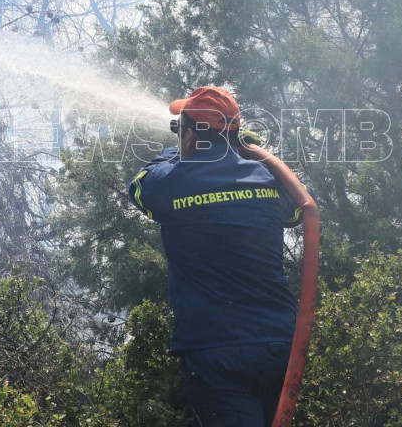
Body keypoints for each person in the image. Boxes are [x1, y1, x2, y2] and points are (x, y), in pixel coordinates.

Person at [127, 86, 303, 427]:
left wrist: (175, 154)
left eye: (180, 128)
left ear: (191, 136)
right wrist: (251, 154)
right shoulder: (267, 177)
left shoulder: (171, 181)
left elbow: (138, 187)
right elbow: (297, 210)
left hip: (217, 348)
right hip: (281, 344)